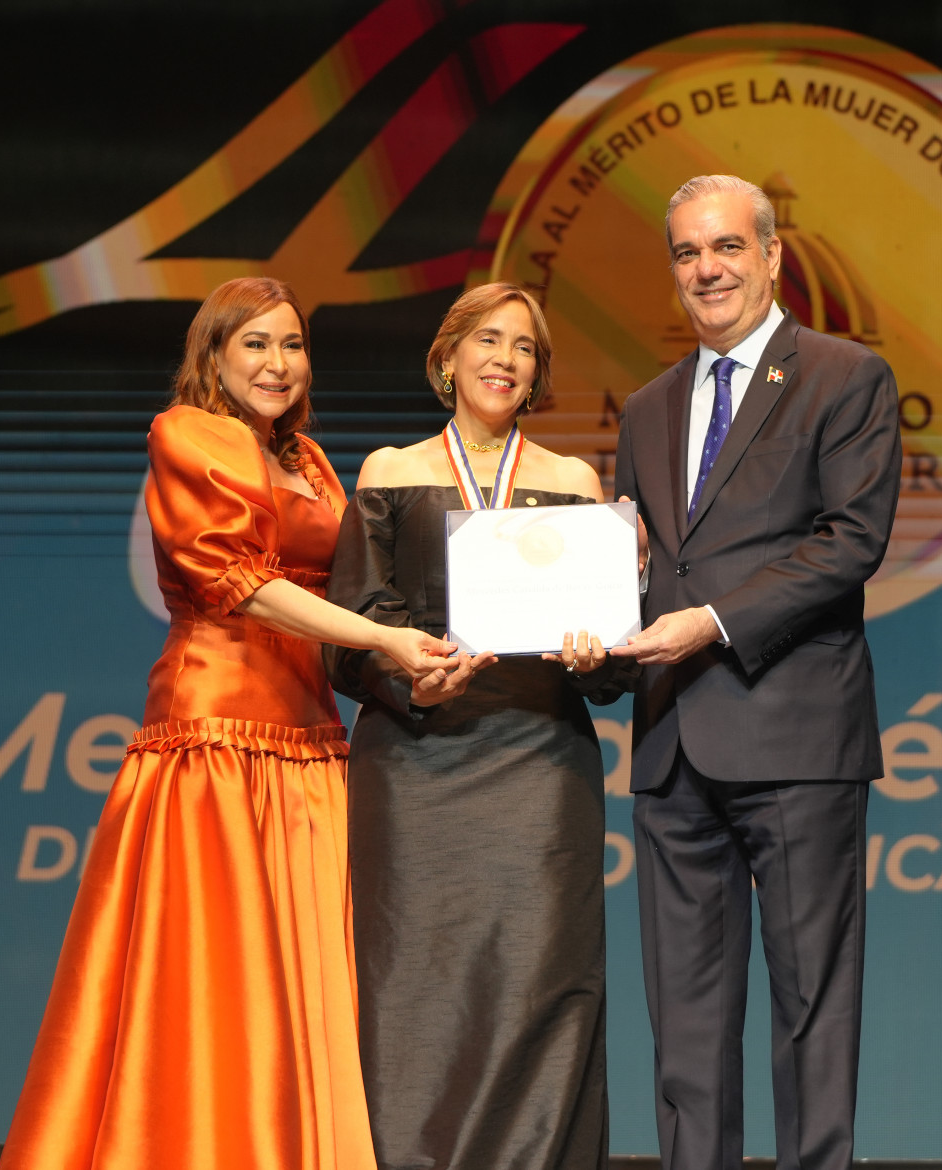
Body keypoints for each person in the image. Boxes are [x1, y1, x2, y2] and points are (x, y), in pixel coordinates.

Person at [0, 277, 455, 1170]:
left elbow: (347, 593)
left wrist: (418, 655)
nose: (278, 364)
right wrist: (384, 638)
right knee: (215, 983)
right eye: (255, 344)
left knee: (306, 987)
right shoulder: (187, 433)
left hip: (311, 748)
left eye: (293, 344)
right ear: (213, 355)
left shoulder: (310, 459)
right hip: (214, 745)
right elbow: (241, 583)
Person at [609, 174, 902, 1170]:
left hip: (795, 733)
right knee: (684, 1018)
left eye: (728, 246)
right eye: (688, 252)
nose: (708, 269)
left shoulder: (843, 377)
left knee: (811, 1005)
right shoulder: (646, 408)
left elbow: (850, 542)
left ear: (773, 256)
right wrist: (599, 624)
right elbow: (641, 564)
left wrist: (710, 624)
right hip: (671, 744)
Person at [324, 281, 632, 1170]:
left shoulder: (574, 482)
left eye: (524, 347)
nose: (505, 360)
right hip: (413, 762)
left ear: (538, 372)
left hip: (540, 764)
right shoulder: (389, 471)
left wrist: (594, 656)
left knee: (540, 979)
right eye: (488, 340)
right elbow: (350, 638)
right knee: (411, 982)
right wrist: (414, 685)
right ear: (448, 356)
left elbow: (616, 660)